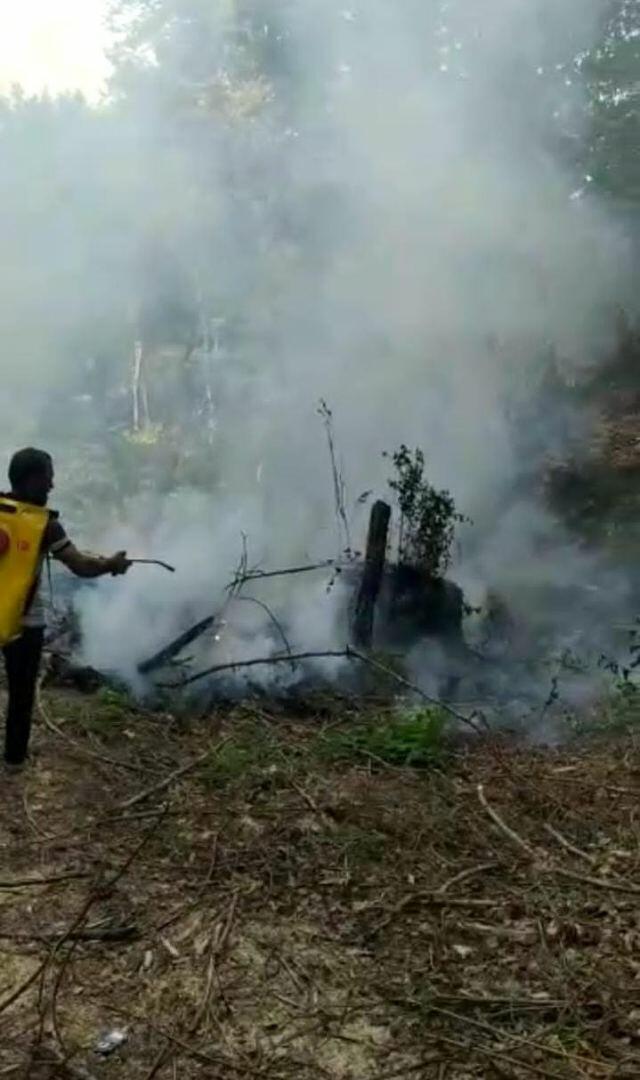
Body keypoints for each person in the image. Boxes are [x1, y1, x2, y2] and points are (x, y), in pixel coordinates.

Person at [2, 448, 130, 772]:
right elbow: (81, 566)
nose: (52, 485)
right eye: (47, 477)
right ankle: (14, 761)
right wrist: (111, 564)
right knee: (20, 694)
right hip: (24, 625)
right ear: (31, 479)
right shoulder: (46, 525)